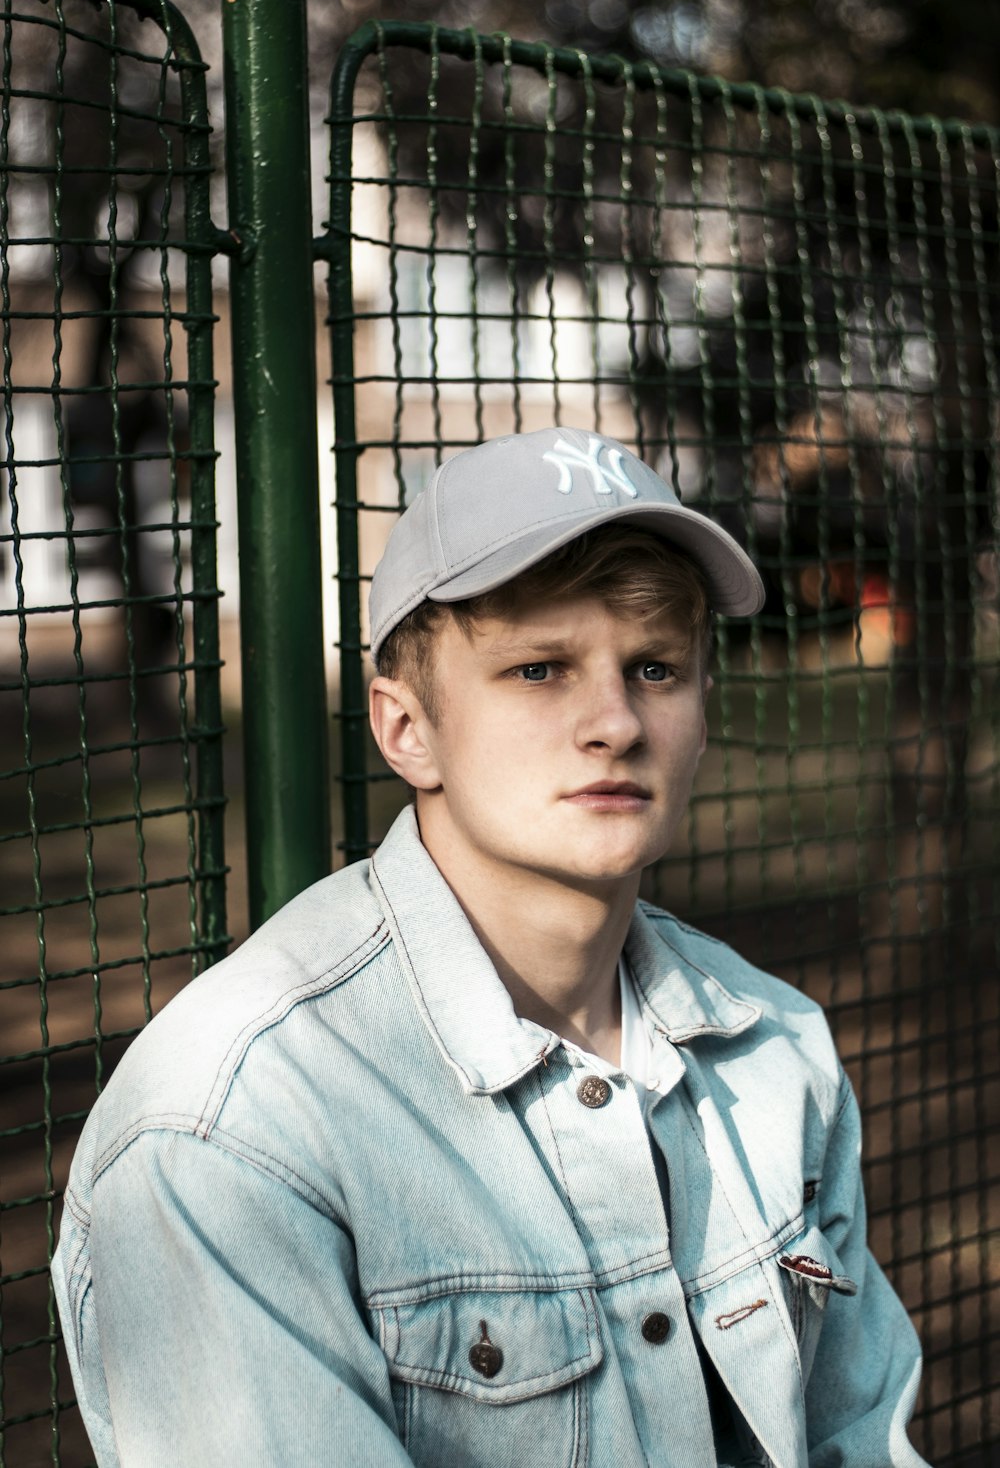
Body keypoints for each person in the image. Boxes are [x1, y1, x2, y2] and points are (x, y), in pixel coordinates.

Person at [53, 427, 926, 1467]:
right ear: (405, 728)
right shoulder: (234, 1126)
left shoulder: (774, 1050)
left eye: (654, 667)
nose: (613, 722)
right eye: (538, 668)